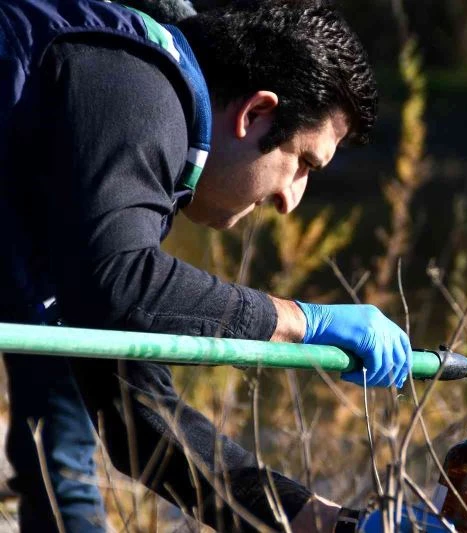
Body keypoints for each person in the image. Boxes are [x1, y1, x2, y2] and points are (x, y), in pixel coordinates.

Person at [0, 0, 412, 530]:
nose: (291, 199)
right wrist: (305, 322)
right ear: (255, 113)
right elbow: (124, 284)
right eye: (303, 163)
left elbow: (140, 422)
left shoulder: (131, 150)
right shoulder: (131, 83)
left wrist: (327, 523)